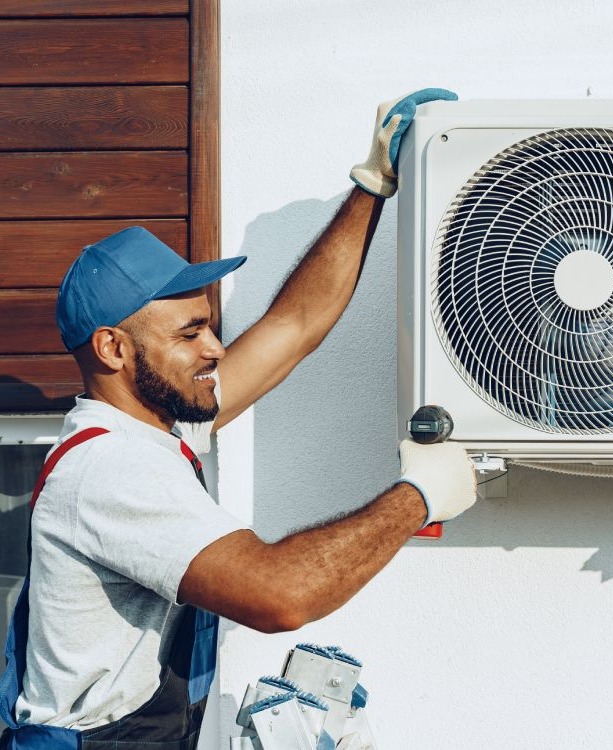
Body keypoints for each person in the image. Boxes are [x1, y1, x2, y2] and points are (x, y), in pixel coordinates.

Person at [0, 89, 475, 750]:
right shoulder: (114, 469)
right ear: (112, 349)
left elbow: (295, 325)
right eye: (189, 334)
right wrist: (418, 496)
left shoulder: (154, 422)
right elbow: (281, 594)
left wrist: (371, 187)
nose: (216, 350)